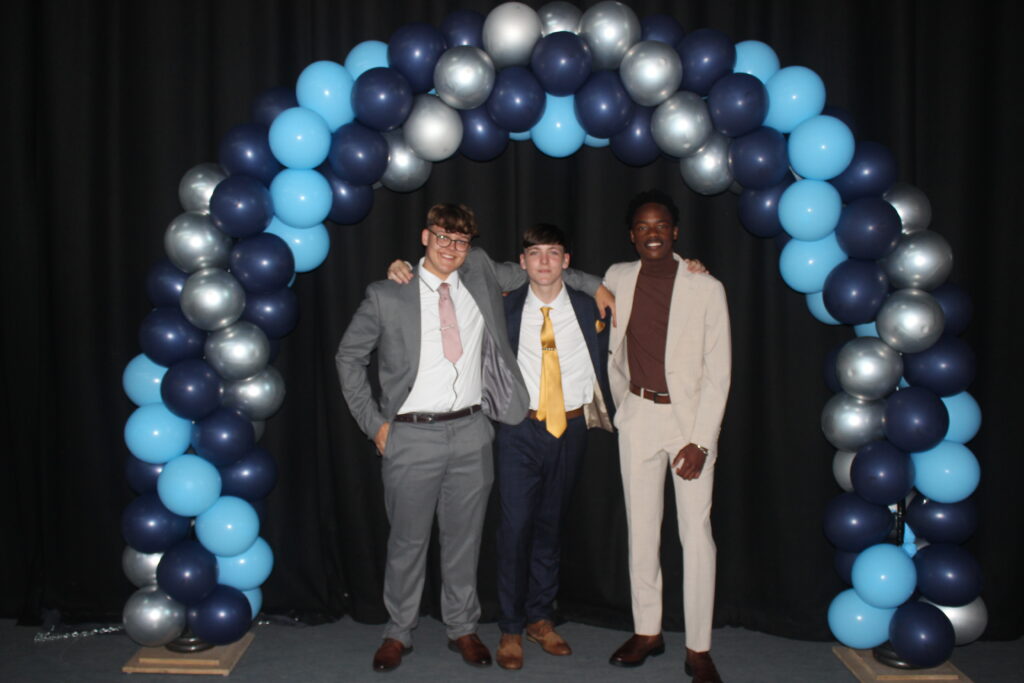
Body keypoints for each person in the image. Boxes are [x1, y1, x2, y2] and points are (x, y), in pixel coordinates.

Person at [337, 204, 610, 673]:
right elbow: (348, 357)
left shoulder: (479, 270)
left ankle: (462, 628)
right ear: (425, 237)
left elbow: (543, 269)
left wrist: (596, 284)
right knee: (407, 541)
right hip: (411, 435)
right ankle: (398, 632)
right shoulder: (388, 292)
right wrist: (374, 423)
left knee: (465, 540)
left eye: (461, 241)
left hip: (472, 432)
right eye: (442, 237)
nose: (452, 248)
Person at [603, 190, 731, 683]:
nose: (652, 233)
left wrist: (701, 441)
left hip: (688, 425)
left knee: (695, 536)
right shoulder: (618, 276)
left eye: (660, 225)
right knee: (641, 530)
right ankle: (647, 631)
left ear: (675, 232)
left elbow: (719, 373)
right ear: (631, 235)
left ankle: (698, 647)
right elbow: (569, 281)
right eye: (642, 226)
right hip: (638, 414)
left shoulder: (706, 286)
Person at [492, 224, 614, 670]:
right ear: (522, 262)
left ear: (567, 261)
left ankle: (540, 619)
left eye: (553, 253)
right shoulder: (504, 307)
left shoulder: (591, 306)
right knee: (514, 529)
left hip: (571, 428)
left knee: (551, 526)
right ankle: (510, 626)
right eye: (535, 253)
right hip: (518, 431)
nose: (544, 261)